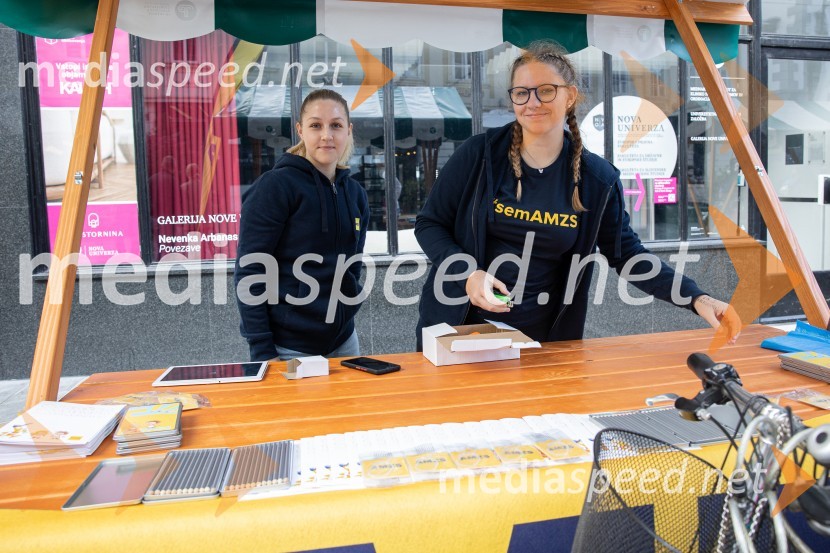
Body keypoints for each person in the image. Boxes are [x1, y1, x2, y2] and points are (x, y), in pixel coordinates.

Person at [414, 41, 740, 348]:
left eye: (545, 91)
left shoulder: (596, 179)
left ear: (569, 96)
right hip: (457, 327)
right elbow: (430, 224)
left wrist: (696, 297)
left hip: (540, 340)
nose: (532, 102)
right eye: (521, 93)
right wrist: (469, 273)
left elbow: (627, 254)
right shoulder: (479, 155)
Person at [235, 89, 370, 361]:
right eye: (316, 125)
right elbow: (250, 272)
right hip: (288, 347)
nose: (326, 135)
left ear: (348, 130)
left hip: (344, 340)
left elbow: (353, 263)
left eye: (336, 125)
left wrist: (349, 302)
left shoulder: (354, 193)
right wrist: (262, 349)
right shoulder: (275, 187)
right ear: (300, 130)